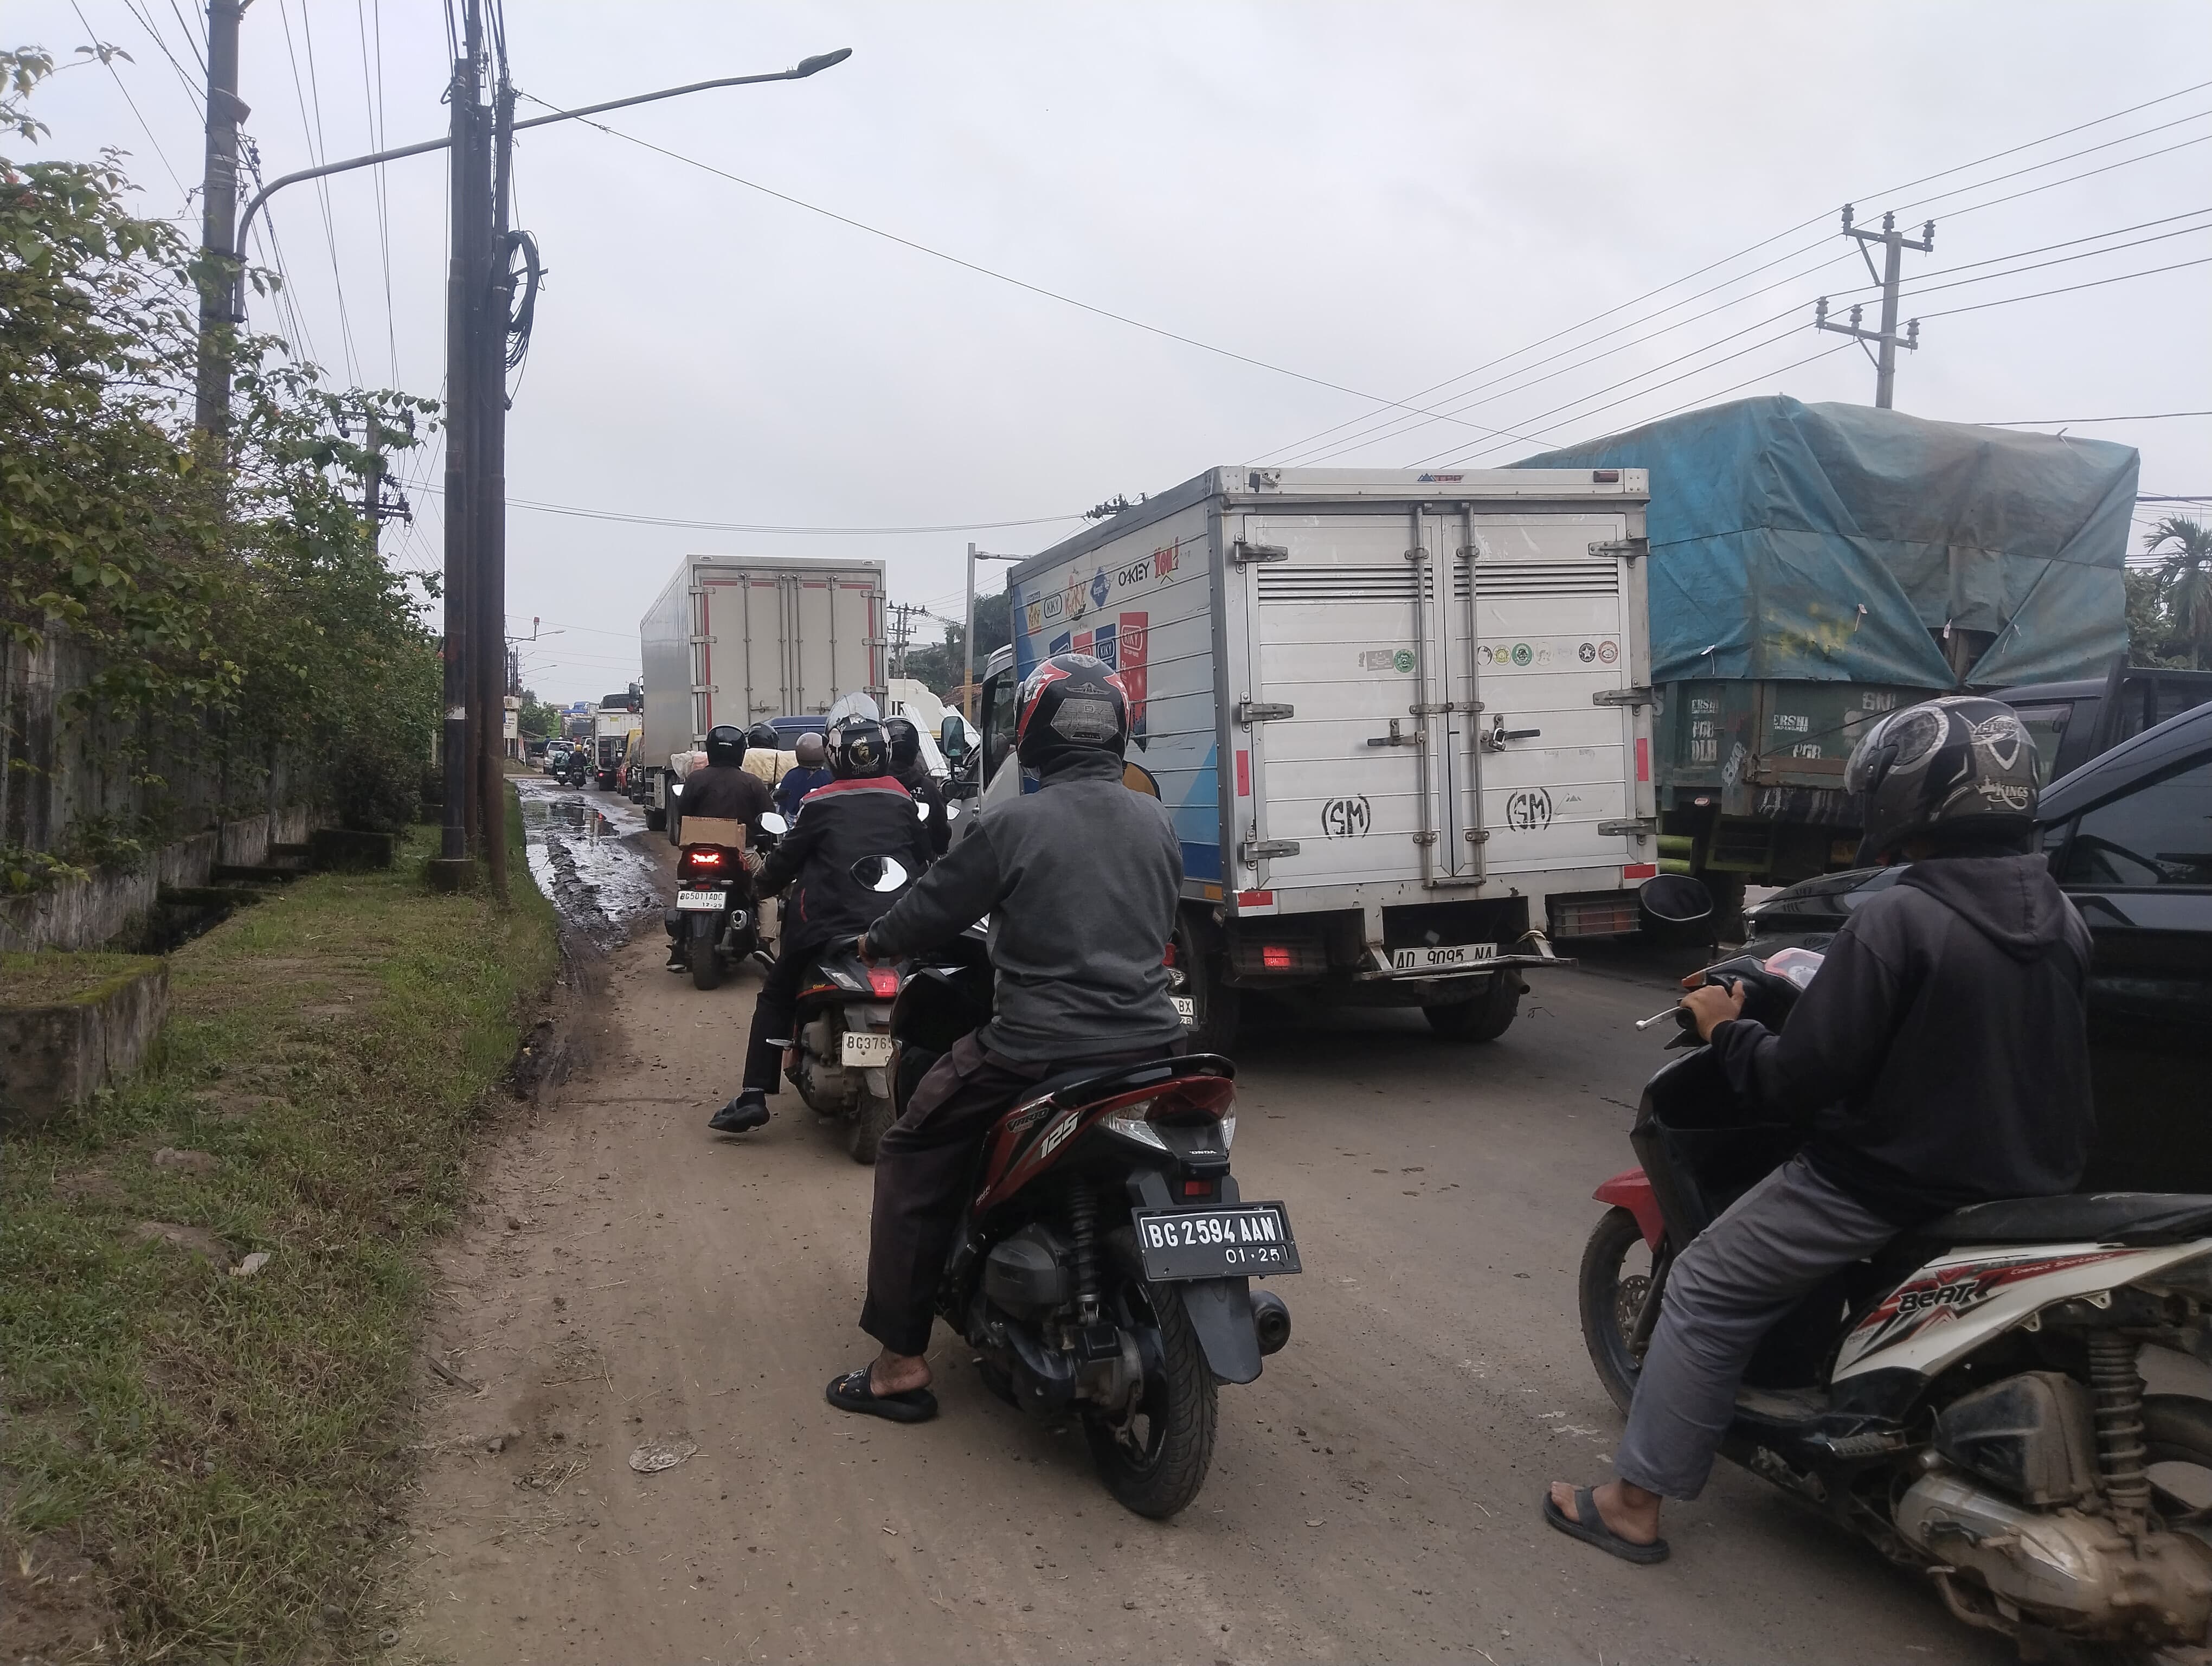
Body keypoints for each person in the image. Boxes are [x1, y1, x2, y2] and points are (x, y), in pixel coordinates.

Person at [1544, 696, 2094, 1564]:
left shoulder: (1897, 915)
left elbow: (1799, 1084)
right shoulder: (2059, 914)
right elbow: (1959, 1032)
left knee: (1705, 1289)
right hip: (2028, 1182)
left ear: (1904, 799)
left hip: (1888, 1183)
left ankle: (1631, 1504)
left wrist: (1730, 1029)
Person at [821, 655, 1186, 1422]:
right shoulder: (1157, 819)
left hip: (1037, 1047)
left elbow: (930, 912)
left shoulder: (1008, 822)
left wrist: (875, 943)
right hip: (1155, 1048)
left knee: (911, 1150)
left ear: (1032, 733)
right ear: (1118, 731)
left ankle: (898, 1364)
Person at [711, 718, 933, 1136]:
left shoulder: (819, 803)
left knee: (776, 996)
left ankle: (754, 1095)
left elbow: (784, 862)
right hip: (900, 927)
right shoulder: (902, 799)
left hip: (826, 928)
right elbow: (927, 856)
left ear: (835, 758)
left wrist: (763, 884)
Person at [664, 725, 774, 970]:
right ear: (741, 752)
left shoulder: (695, 779)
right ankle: (764, 945)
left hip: (695, 851)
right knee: (767, 891)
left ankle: (678, 944)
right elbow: (768, 816)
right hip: (740, 852)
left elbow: (683, 813)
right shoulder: (752, 783)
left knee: (686, 890)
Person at [884, 715, 950, 860]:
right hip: (920, 871)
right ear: (915, 751)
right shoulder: (929, 788)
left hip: (877, 872)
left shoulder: (872, 787)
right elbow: (941, 836)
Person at [775, 732, 832, 821]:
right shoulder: (830, 777)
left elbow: (782, 807)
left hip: (796, 824)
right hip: (825, 823)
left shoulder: (791, 776)